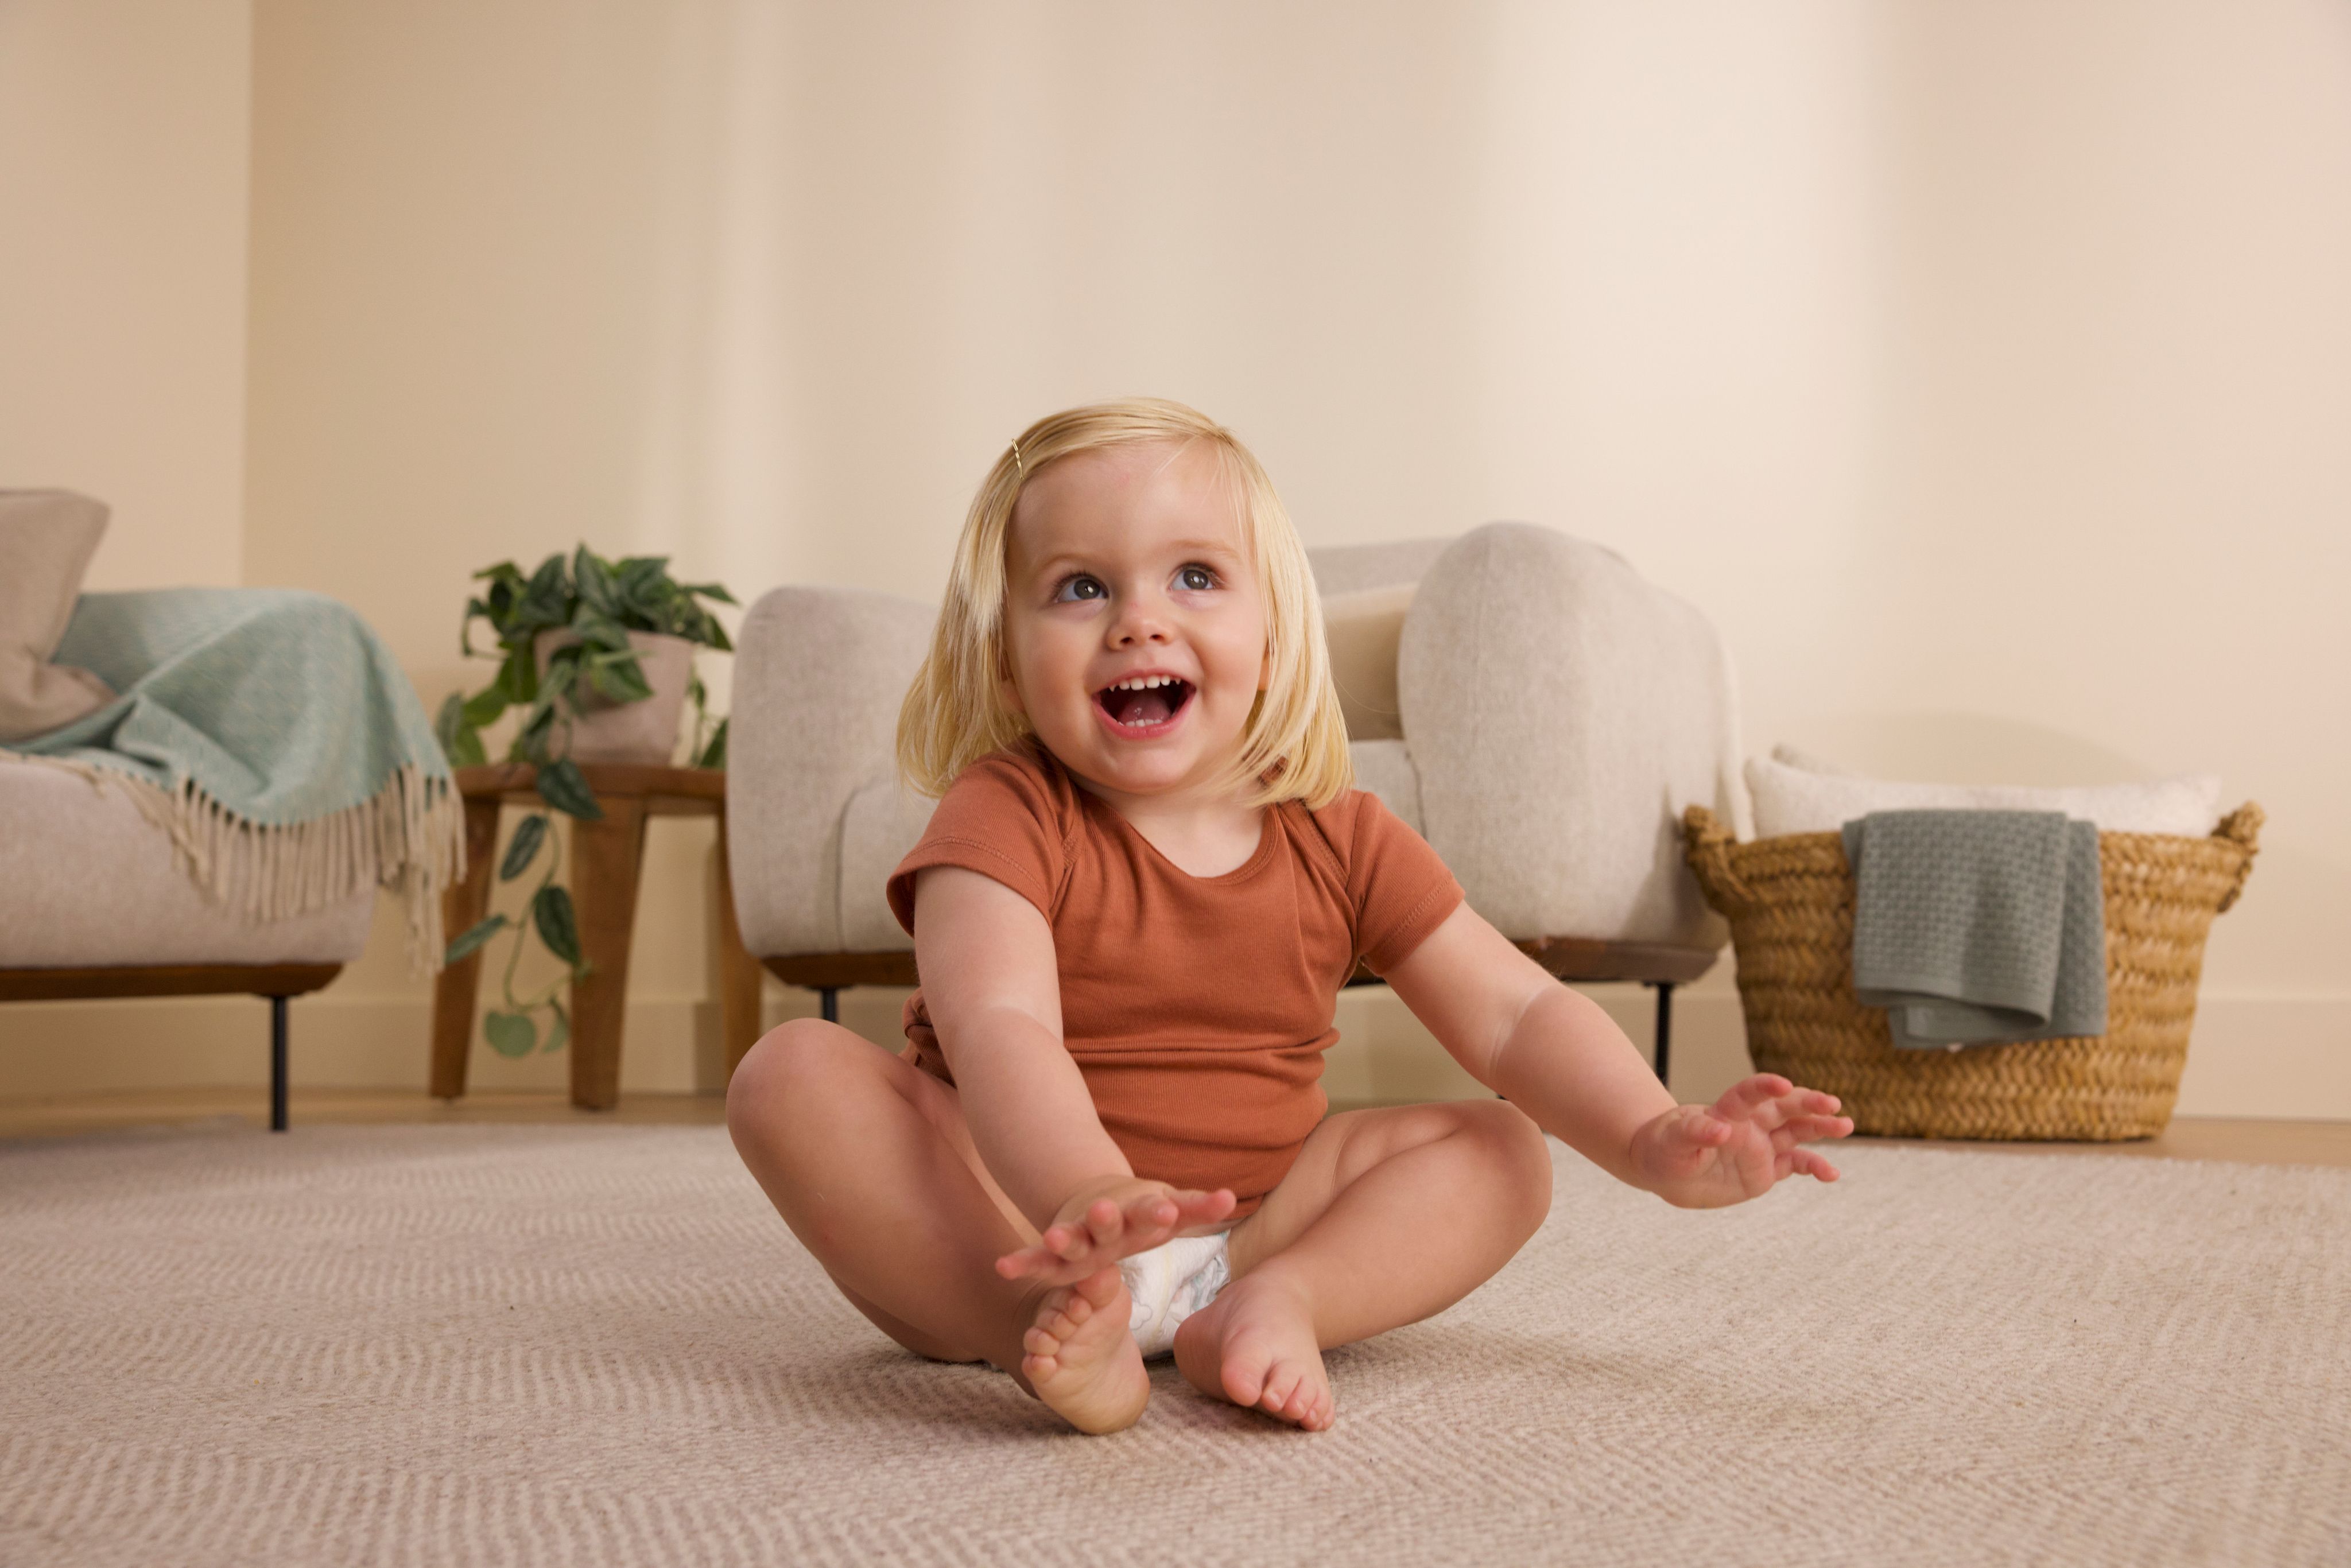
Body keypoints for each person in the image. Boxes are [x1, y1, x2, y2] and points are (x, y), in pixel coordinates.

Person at [726, 398, 1854, 1435]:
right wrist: (1084, 1194)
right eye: (1080, 588)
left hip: (1255, 1214)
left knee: (1500, 1151)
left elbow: (1511, 1015)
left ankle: (1272, 1305)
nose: (1138, 622)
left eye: (1194, 579)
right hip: (1018, 1220)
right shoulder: (1003, 812)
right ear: (1008, 665)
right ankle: (1038, 1333)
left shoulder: (1340, 832)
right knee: (790, 1077)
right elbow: (998, 1028)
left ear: (1272, 639)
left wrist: (1649, 1135)